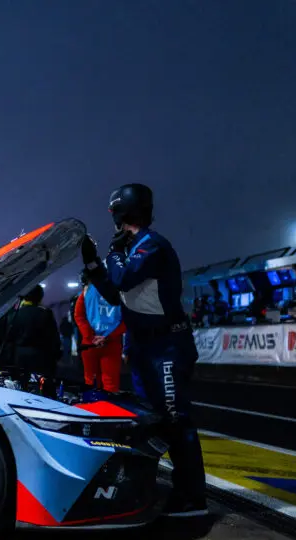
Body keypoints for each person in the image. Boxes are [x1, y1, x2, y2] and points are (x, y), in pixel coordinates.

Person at [81, 182, 206, 517]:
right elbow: (112, 294)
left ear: (122, 211)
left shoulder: (151, 245)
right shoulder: (130, 247)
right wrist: (93, 266)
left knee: (175, 419)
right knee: (152, 419)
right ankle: (154, 487)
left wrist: (110, 255)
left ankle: (192, 497)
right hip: (143, 344)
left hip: (166, 344)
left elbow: (123, 278)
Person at [74, 271, 125, 392]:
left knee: (92, 381)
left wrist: (91, 336)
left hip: (91, 344)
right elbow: (127, 320)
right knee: (110, 383)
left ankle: (93, 408)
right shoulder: (121, 293)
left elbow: (79, 315)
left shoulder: (86, 293)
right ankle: (108, 409)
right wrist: (108, 336)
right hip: (110, 343)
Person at [0, 285, 61, 383]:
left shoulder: (14, 315)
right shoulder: (46, 314)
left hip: (19, 357)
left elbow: (8, 340)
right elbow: (54, 339)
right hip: (41, 357)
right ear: (40, 297)